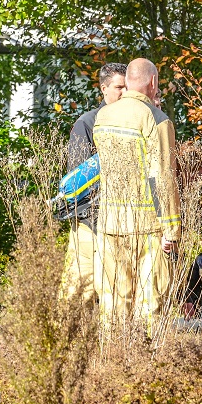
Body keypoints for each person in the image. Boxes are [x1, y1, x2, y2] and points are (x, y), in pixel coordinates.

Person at [93, 58, 180, 330]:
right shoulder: (156, 119)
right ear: (153, 83)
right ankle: (149, 368)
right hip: (147, 230)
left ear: (127, 81)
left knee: (112, 304)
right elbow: (162, 177)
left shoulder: (103, 115)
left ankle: (111, 363)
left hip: (108, 224)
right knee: (150, 306)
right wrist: (172, 230)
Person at [64, 62, 127, 303]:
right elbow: (79, 177)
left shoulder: (130, 122)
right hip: (89, 222)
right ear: (103, 89)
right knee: (78, 292)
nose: (123, 93)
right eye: (118, 87)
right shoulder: (87, 123)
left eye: (127, 87)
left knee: (114, 293)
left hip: (121, 222)